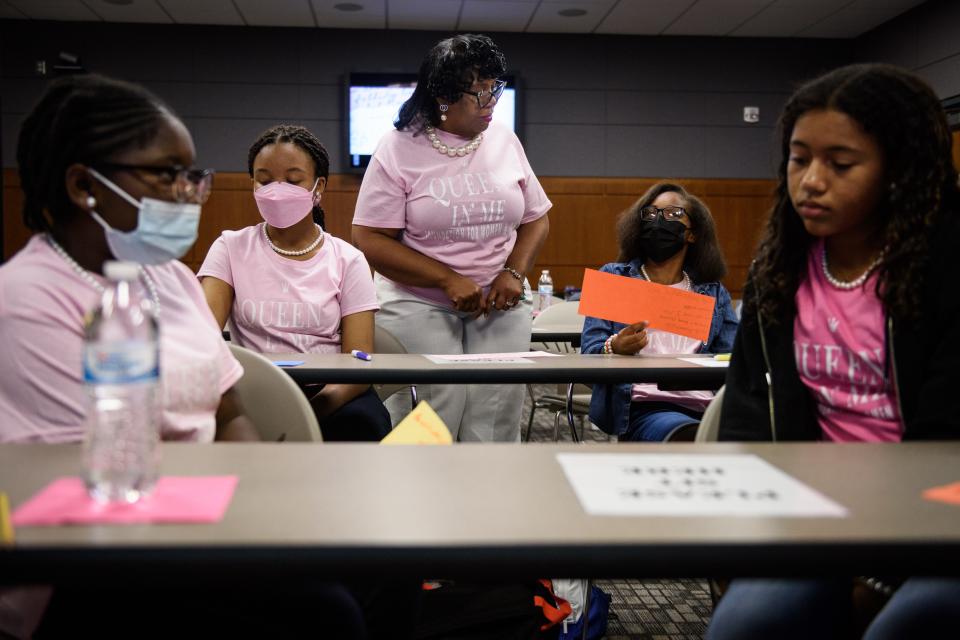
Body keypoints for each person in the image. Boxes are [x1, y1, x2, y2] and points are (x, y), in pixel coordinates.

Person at [0, 74, 365, 639]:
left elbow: (230, 410)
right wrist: (244, 527)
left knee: (375, 565)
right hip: (86, 564)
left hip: (197, 517)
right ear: (83, 186)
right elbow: (93, 480)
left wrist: (265, 500)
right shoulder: (26, 297)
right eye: (168, 174)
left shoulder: (165, 276)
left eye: (191, 174)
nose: (188, 192)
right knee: (326, 612)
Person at [708, 63, 960, 639]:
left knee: (901, 624)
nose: (812, 181)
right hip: (818, 516)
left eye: (841, 164)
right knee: (744, 627)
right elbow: (748, 414)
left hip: (937, 519)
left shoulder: (945, 267)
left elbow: (946, 439)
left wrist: (880, 578)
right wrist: (746, 542)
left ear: (900, 170)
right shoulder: (782, 268)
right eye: (799, 159)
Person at [352, 33, 551, 442]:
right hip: (418, 300)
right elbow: (370, 238)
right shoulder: (397, 148)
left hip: (499, 299)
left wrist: (514, 272)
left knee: (494, 410)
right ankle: (419, 500)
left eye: (496, 88)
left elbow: (536, 219)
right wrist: (446, 279)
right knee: (436, 407)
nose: (492, 101)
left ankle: (488, 500)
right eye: (479, 93)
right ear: (442, 97)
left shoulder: (504, 138)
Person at [198, 124, 391, 442]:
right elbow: (203, 335)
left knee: (362, 425)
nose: (277, 189)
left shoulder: (348, 260)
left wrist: (313, 408)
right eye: (264, 179)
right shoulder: (230, 248)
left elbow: (359, 365)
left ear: (318, 187)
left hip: (330, 394)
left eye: (292, 179)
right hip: (255, 389)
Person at [580, 182, 738, 441]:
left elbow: (730, 360)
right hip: (643, 407)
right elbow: (588, 354)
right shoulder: (614, 278)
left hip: (705, 407)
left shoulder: (712, 291)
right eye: (651, 214)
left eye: (673, 214)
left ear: (692, 234)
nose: (658, 221)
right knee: (693, 438)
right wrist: (615, 346)